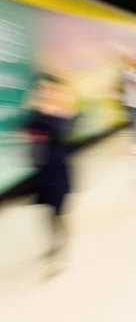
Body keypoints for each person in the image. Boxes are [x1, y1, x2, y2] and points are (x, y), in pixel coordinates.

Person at [23, 74, 77, 274]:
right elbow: (27, 130)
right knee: (47, 212)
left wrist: (42, 114)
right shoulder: (39, 114)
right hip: (43, 171)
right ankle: (53, 247)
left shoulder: (64, 113)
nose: (45, 93)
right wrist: (35, 110)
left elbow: (60, 131)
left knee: (59, 212)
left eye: (49, 89)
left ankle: (60, 252)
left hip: (59, 171)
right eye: (42, 89)